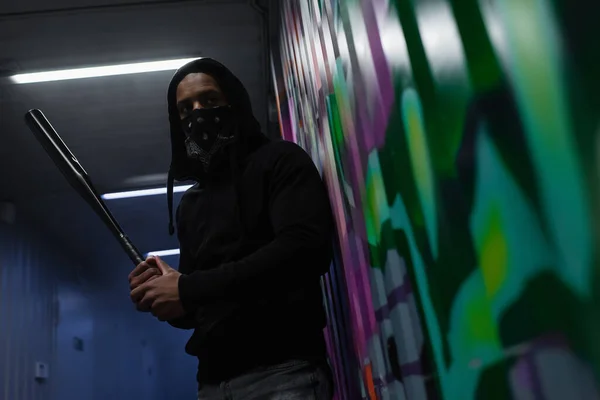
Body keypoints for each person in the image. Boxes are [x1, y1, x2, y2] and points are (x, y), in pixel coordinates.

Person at [128, 58, 335, 399]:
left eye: (209, 100)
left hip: (284, 376)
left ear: (234, 102)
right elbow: (199, 308)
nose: (198, 114)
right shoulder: (191, 205)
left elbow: (304, 249)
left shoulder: (280, 161)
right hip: (212, 385)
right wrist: (161, 293)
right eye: (185, 109)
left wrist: (189, 288)